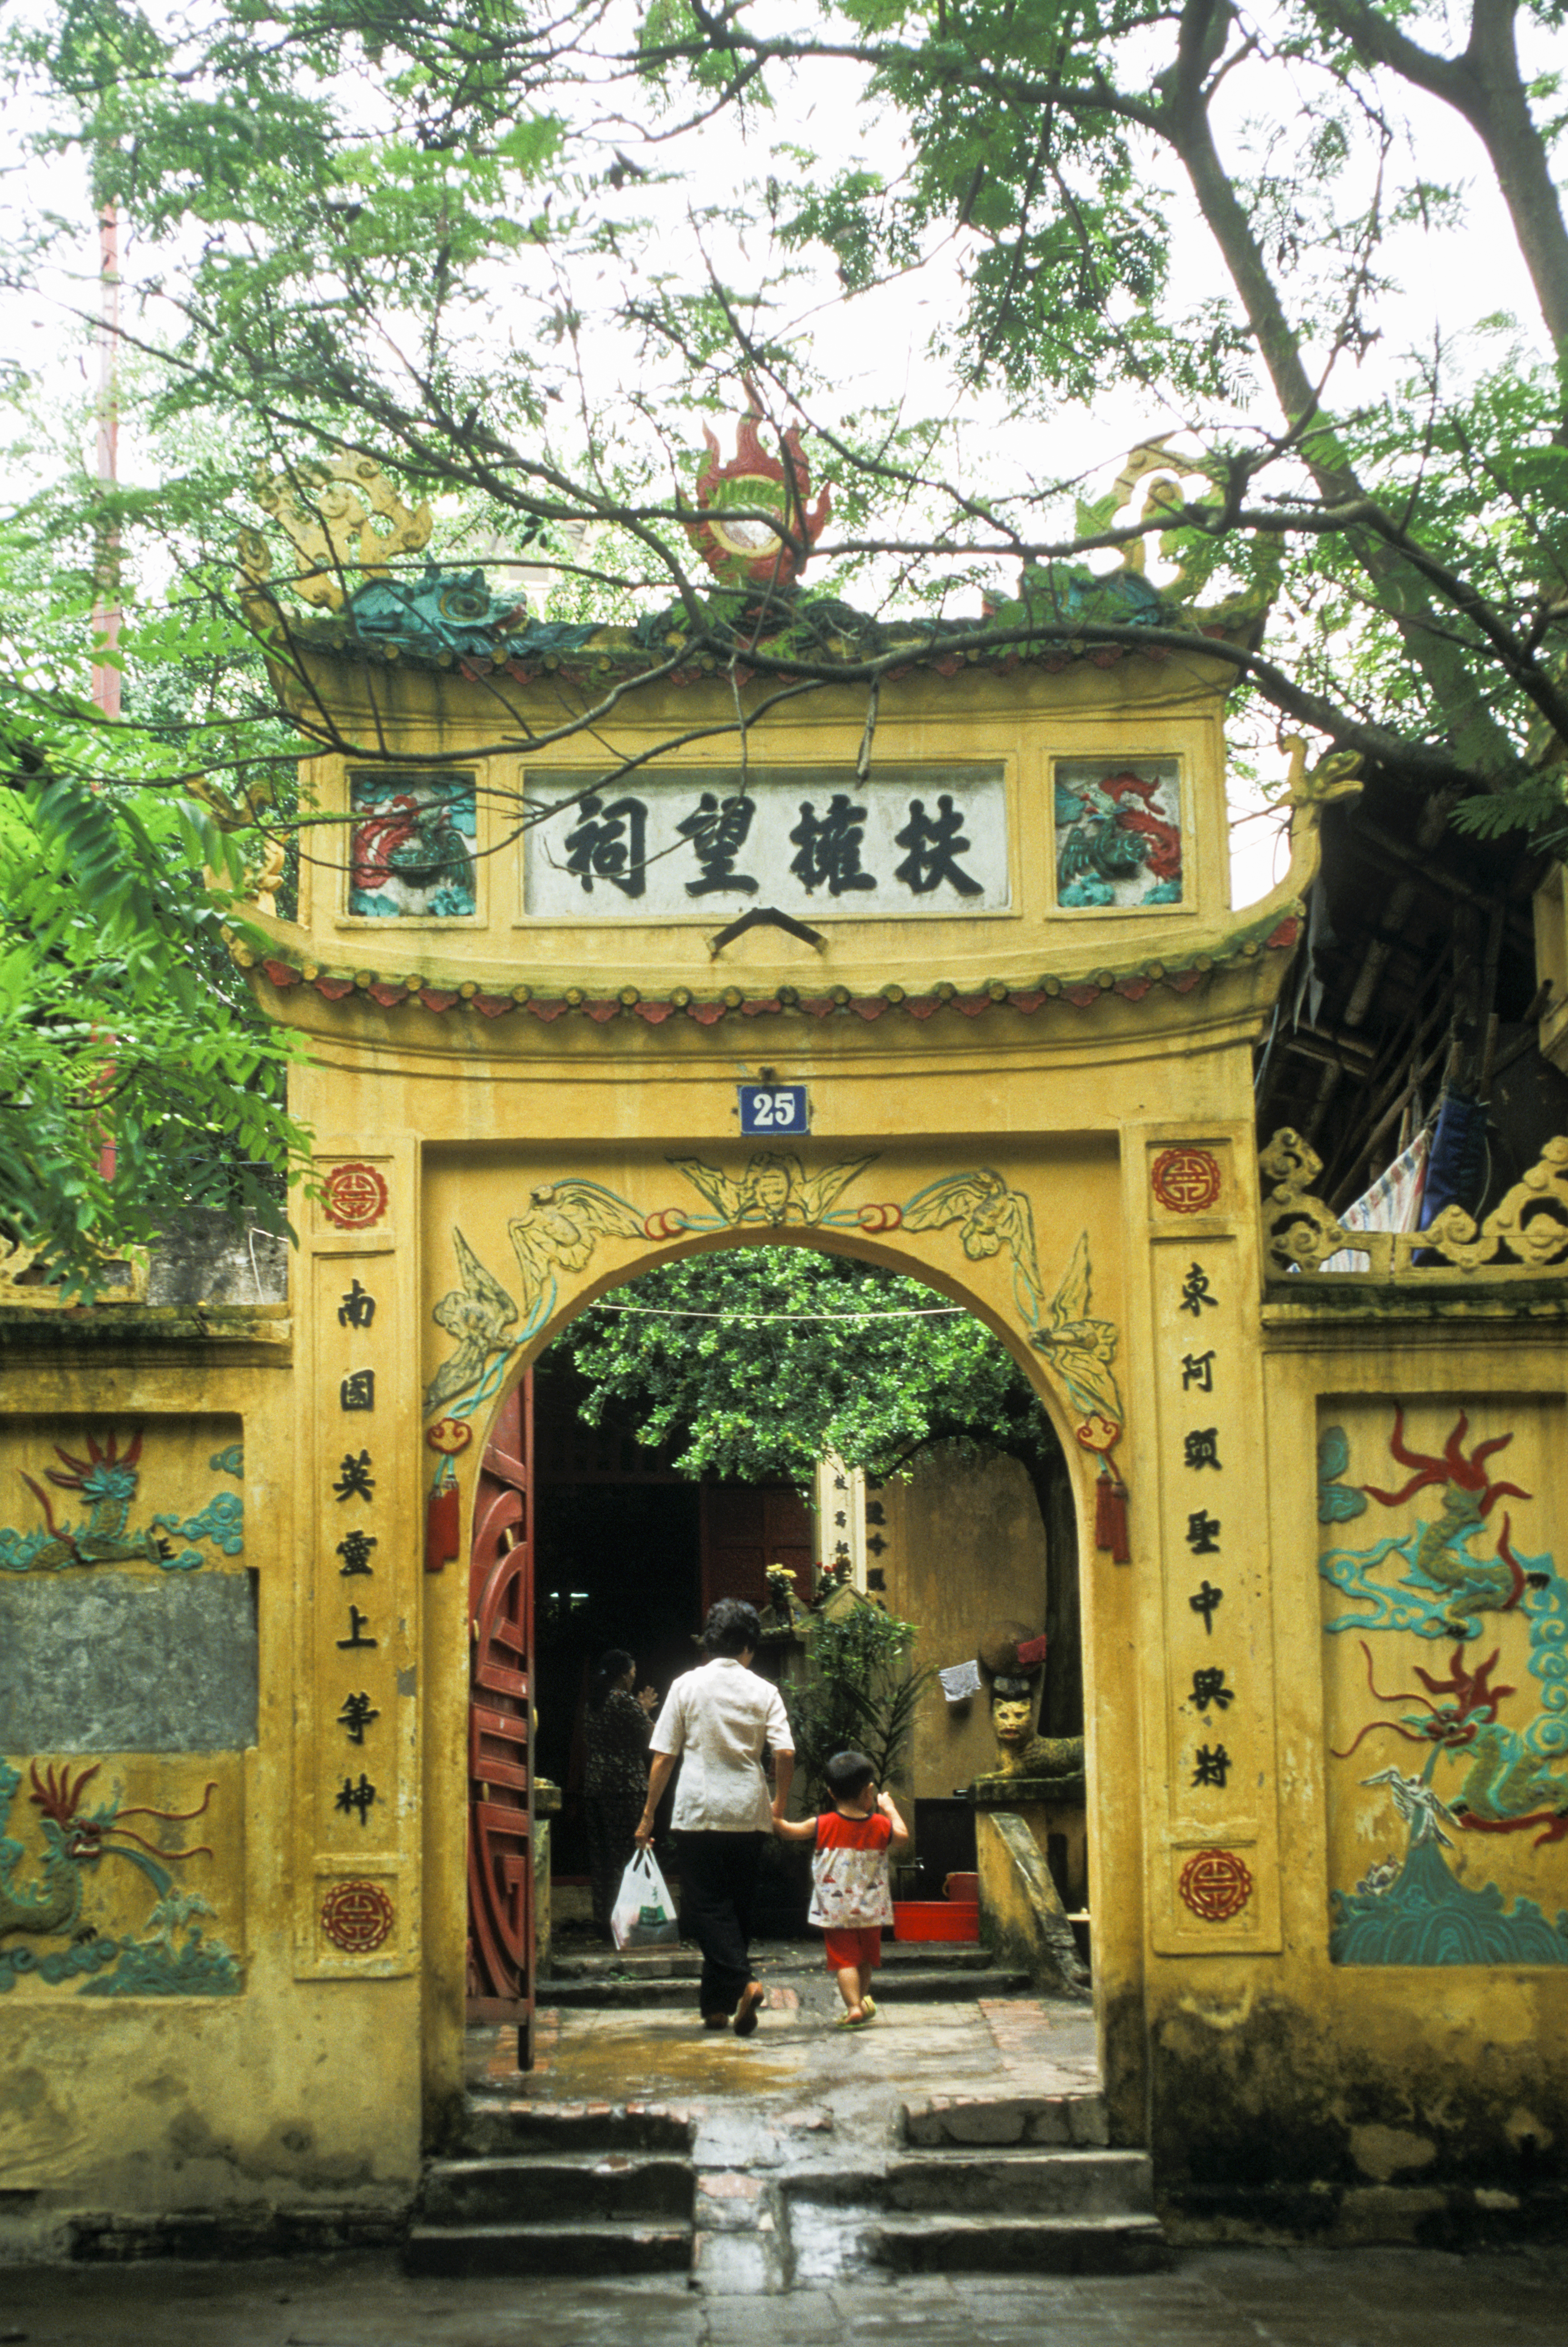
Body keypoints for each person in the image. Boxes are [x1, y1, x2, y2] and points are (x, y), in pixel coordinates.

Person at [635, 1597, 793, 2036]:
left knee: (706, 1908)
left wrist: (648, 1814)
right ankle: (717, 2007)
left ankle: (743, 1983)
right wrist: (779, 1802)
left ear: (710, 1642)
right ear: (749, 1646)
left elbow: (664, 1755)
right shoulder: (765, 1691)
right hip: (748, 1812)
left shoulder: (686, 1685)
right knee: (737, 1909)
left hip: (700, 1811)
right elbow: (784, 1751)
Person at [774, 1749, 909, 2027]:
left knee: (844, 1960)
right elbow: (903, 1838)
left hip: (836, 1910)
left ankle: (853, 2008)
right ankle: (860, 2000)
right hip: (872, 1909)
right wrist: (891, 1809)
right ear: (868, 1791)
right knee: (866, 1959)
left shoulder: (822, 1824)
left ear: (832, 1794)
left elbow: (788, 1831)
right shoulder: (881, 1825)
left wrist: (774, 1816)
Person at [583, 1648, 658, 1942]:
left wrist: (639, 1710)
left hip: (595, 1787)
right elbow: (650, 1738)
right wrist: (645, 1712)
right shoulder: (623, 1702)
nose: (634, 1678)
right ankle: (627, 1923)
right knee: (627, 1857)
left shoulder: (594, 1702)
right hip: (625, 1789)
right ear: (625, 1675)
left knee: (601, 1858)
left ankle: (604, 1921)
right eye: (633, 1673)